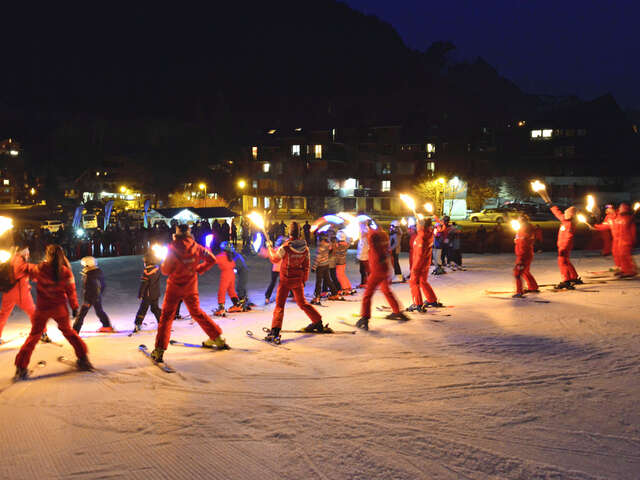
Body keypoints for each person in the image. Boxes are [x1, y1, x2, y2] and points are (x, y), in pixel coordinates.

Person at [151, 224, 229, 363]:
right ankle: (217, 338)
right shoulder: (196, 246)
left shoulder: (172, 248)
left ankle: (159, 349)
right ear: (189, 233)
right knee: (196, 312)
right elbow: (212, 259)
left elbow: (166, 271)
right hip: (190, 285)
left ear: (177, 233)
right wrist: (199, 268)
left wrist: (163, 264)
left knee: (167, 317)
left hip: (175, 286)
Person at [14, 245, 92, 379]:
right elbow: (71, 291)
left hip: (43, 308)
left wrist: (17, 257)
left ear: (48, 255)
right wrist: (74, 307)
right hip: (59, 308)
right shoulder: (65, 271)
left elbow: (25, 269)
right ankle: (83, 358)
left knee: (34, 336)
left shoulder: (41, 268)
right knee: (68, 332)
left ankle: (21, 366)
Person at [264, 226, 324, 344]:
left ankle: (275, 330)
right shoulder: (305, 248)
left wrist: (270, 248)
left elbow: (275, 259)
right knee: (302, 303)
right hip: (297, 280)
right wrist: (303, 280)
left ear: (289, 233)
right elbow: (306, 266)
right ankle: (317, 321)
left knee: (280, 305)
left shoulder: (285, 247)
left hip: (285, 280)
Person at [356, 223, 407, 330]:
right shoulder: (384, 235)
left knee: (367, 295)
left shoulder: (373, 236)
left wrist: (365, 234)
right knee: (386, 290)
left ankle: (365, 317)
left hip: (377, 270)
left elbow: (370, 246)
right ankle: (397, 311)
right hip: (384, 268)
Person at [0, 246, 38, 343]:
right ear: (24, 253)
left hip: (8, 292)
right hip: (21, 293)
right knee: (33, 312)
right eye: (27, 254)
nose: (28, 256)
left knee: (3, 315)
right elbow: (29, 270)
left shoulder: (11, 259)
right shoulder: (20, 262)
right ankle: (42, 332)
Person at [594, 203, 637, 277]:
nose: (608, 210)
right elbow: (605, 226)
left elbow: (632, 230)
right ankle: (623, 269)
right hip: (617, 240)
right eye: (607, 209)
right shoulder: (612, 218)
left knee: (624, 255)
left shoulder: (627, 218)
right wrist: (595, 226)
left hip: (626, 239)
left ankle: (630, 270)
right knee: (617, 254)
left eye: (610, 209)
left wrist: (632, 240)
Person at [73, 256, 115, 333]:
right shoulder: (97, 272)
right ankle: (106, 326)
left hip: (90, 298)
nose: (83, 267)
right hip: (96, 296)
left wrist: (88, 300)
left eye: (84, 265)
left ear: (87, 265)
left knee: (81, 314)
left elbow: (90, 288)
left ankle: (75, 330)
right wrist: (98, 295)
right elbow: (103, 285)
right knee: (99, 311)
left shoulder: (90, 275)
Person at [407, 218, 441, 311]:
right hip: (426, 263)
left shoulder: (420, 237)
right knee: (423, 281)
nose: (416, 226)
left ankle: (417, 304)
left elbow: (419, 254)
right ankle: (432, 299)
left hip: (419, 264)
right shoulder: (429, 234)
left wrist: (414, 268)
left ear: (421, 226)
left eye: (417, 225)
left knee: (414, 282)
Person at [549, 204, 581, 289]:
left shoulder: (569, 224)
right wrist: (551, 205)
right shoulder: (564, 220)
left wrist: (563, 248)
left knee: (562, 262)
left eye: (566, 213)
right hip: (562, 246)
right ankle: (574, 277)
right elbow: (557, 213)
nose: (564, 214)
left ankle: (566, 280)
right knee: (566, 261)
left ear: (570, 215)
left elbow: (568, 237)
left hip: (564, 247)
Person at [133, 252, 162, 333]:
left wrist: (140, 294)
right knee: (155, 308)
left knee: (143, 309)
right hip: (155, 294)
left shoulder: (146, 272)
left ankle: (138, 324)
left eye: (144, 261)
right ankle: (162, 322)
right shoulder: (157, 269)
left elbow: (144, 285)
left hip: (147, 295)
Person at [512, 215, 539, 298]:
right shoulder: (522, 230)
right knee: (525, 271)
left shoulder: (525, 231)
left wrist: (520, 258)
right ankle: (533, 287)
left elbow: (523, 245)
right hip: (525, 254)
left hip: (523, 255)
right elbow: (519, 241)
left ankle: (519, 291)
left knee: (517, 273)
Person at [214, 242, 243, 315]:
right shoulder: (230, 256)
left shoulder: (220, 256)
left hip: (225, 274)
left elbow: (212, 260)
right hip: (232, 273)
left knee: (222, 290)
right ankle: (237, 304)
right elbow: (233, 264)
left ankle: (221, 307)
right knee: (231, 290)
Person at [311, 233, 341, 304]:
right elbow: (330, 249)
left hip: (320, 266)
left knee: (319, 281)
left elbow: (317, 258)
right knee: (328, 280)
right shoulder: (328, 245)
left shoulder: (320, 247)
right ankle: (334, 293)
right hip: (326, 264)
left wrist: (314, 267)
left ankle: (317, 296)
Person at [263, 236, 284, 304]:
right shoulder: (281, 250)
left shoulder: (275, 250)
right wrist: (269, 247)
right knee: (285, 282)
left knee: (274, 283)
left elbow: (268, 255)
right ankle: (268, 296)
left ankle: (267, 296)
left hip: (276, 269)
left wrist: (269, 248)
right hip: (281, 269)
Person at [232, 245, 251, 310]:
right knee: (242, 287)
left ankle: (242, 303)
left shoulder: (236, 257)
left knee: (240, 288)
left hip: (243, 273)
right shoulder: (236, 256)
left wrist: (233, 270)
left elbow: (237, 265)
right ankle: (246, 301)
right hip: (243, 273)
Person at [356, 222, 369, 287]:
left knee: (365, 270)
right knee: (362, 270)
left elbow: (365, 247)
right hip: (362, 255)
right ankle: (364, 282)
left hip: (365, 256)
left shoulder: (365, 238)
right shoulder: (362, 238)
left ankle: (366, 283)